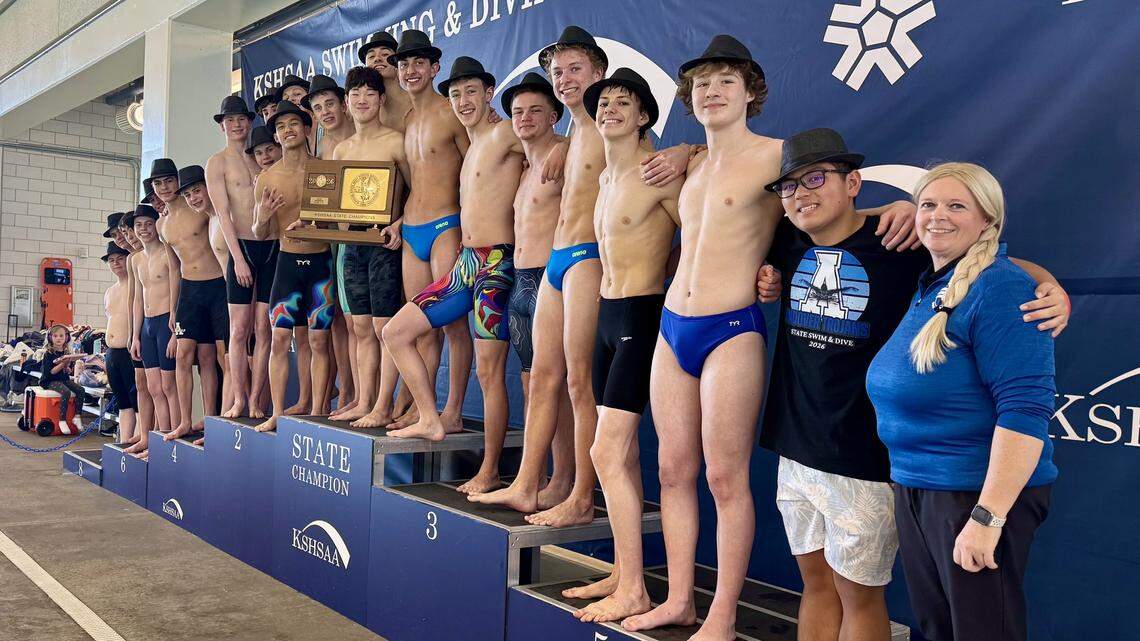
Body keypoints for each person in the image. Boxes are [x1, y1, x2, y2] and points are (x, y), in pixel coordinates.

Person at [757, 130, 1072, 641]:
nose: (801, 193)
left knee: (887, 600)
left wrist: (1051, 288)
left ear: (853, 182)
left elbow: (997, 270)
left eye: (816, 178)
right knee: (855, 597)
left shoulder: (900, 242)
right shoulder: (789, 238)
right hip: (819, 452)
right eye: (789, 186)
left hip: (874, 461)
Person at [867, 162, 1058, 641]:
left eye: (957, 206)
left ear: (987, 222)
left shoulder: (1001, 288)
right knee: (939, 631)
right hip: (920, 488)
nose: (938, 216)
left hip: (972, 494)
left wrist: (987, 517)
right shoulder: (935, 285)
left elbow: (1025, 410)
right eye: (928, 204)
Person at [383, 57, 522, 495]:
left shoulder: (504, 132)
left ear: (488, 92)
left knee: (489, 372)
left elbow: (559, 145)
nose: (463, 101)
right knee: (396, 331)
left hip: (496, 264)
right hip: (466, 263)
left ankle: (491, 470)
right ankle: (429, 416)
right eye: (457, 93)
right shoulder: (474, 140)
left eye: (471, 92)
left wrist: (686, 151)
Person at [573, 69, 681, 623]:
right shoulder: (607, 179)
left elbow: (706, 232)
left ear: (644, 117)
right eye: (605, 101)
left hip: (643, 312)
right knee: (622, 454)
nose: (610, 108)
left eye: (624, 102)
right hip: (607, 313)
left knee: (605, 453)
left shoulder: (658, 171)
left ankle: (636, 590)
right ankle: (623, 568)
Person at [386, 29, 473, 432]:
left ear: (435, 67)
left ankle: (453, 410)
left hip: (446, 225)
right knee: (420, 327)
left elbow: (478, 172)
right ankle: (424, 410)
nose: (411, 70)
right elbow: (417, 178)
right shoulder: (407, 118)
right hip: (413, 230)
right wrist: (401, 220)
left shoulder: (452, 112)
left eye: (419, 63)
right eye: (404, 64)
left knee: (453, 322)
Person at [327, 66, 409, 427]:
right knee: (360, 326)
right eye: (355, 94)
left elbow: (417, 189)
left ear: (381, 99)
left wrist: (399, 223)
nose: (362, 100)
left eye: (369, 94)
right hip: (352, 243)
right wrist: (310, 223)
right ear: (347, 103)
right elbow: (330, 204)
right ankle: (363, 399)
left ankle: (383, 405)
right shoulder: (340, 148)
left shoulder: (395, 140)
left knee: (383, 326)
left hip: (384, 241)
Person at [252, 100, 337, 432]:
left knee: (317, 340)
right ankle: (277, 412)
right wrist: (263, 218)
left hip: (321, 264)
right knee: (279, 338)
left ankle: (316, 410)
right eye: (281, 127)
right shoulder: (267, 178)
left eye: (293, 124)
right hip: (287, 263)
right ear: (276, 135)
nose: (288, 131)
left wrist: (315, 222)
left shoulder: (324, 171)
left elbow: (337, 223)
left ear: (306, 129)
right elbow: (261, 233)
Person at [205, 96, 275, 420]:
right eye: (230, 120)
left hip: (271, 246)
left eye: (242, 119)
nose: (237, 125)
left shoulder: (261, 157)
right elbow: (223, 213)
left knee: (264, 327)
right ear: (222, 125)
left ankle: (258, 399)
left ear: (249, 122)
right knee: (238, 330)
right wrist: (239, 259)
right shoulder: (217, 163)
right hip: (242, 248)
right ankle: (237, 399)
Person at [153, 161, 229, 440]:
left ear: (177, 182)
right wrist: (174, 308)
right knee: (184, 356)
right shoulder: (162, 225)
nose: (164, 188)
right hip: (189, 292)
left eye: (168, 182)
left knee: (211, 357)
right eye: (158, 184)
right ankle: (184, 421)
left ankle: (211, 418)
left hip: (217, 286)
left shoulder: (200, 211)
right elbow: (173, 268)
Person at [126, 204, 180, 455]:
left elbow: (175, 288)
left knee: (170, 387)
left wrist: (175, 324)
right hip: (147, 327)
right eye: (139, 226)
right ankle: (157, 440)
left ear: (157, 225)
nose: (144, 229)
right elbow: (137, 298)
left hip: (165, 323)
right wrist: (135, 336)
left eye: (149, 224)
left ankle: (173, 435)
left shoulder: (168, 251)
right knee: (154, 388)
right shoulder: (135, 259)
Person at [102, 242, 138, 442]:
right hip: (112, 353)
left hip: (129, 350)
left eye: (120, 259)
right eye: (111, 260)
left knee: (137, 401)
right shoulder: (110, 291)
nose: (115, 263)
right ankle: (124, 443)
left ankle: (139, 442)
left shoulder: (136, 285)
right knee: (123, 403)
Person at [358, 31, 413, 131]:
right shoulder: (361, 109)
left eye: (384, 54)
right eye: (371, 56)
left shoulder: (416, 101)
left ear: (398, 63)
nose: (377, 59)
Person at [39, 324, 86, 433]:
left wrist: (67, 368)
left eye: (61, 336)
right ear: (50, 338)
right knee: (66, 392)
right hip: (49, 381)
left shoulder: (66, 352)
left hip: (62, 378)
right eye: (55, 336)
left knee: (81, 390)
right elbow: (50, 373)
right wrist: (62, 364)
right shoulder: (48, 353)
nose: (58, 338)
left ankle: (77, 416)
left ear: (66, 337)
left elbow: (64, 370)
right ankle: (62, 420)